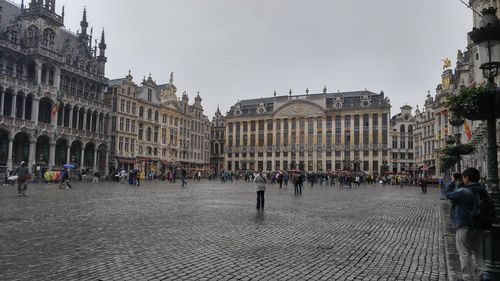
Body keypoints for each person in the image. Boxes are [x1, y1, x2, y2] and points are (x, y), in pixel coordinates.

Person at [445, 168, 486, 281]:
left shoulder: (464, 191)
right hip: (479, 226)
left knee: (464, 253)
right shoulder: (482, 189)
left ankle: (467, 278)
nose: (462, 179)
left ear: (467, 178)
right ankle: (483, 274)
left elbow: (447, 194)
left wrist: (452, 181)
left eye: (463, 177)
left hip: (465, 226)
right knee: (478, 252)